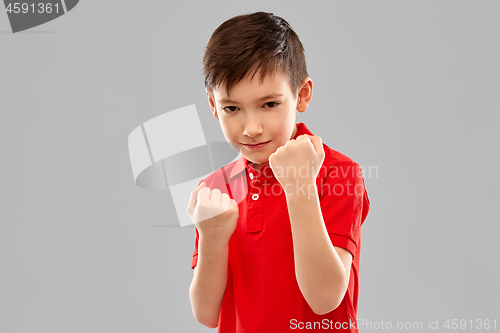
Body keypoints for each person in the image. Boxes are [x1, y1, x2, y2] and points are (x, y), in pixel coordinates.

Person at [187, 11, 370, 332]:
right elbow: (206, 314)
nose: (252, 128)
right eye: (232, 108)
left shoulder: (337, 172)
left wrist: (301, 187)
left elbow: (325, 298)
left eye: (269, 104)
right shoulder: (215, 188)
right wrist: (212, 238)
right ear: (213, 105)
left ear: (302, 94)